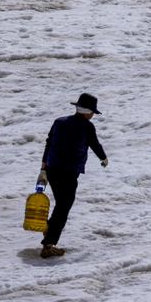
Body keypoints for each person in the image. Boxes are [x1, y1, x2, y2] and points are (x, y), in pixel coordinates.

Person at [35, 93, 108, 258]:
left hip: (52, 169)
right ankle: (48, 244)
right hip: (68, 173)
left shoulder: (59, 122)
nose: (92, 116)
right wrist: (103, 158)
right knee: (63, 207)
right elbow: (95, 144)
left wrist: (43, 168)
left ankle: (48, 231)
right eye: (92, 113)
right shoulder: (87, 127)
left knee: (61, 205)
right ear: (88, 112)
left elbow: (49, 143)